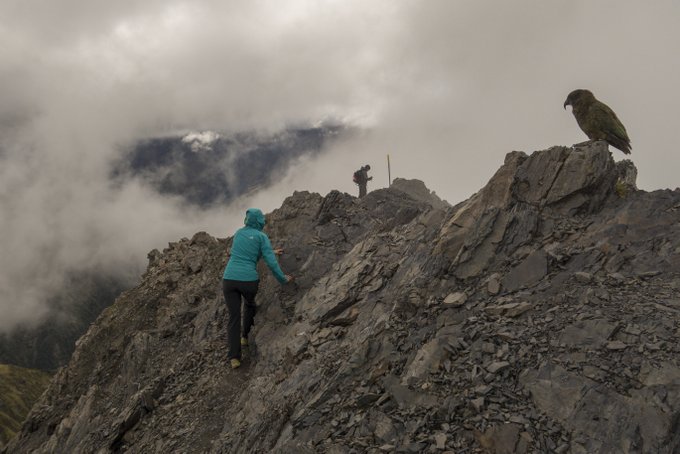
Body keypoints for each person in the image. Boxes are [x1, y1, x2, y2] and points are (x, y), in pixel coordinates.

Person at [222, 208, 292, 369]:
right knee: (249, 305)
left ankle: (234, 358)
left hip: (229, 279)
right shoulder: (262, 237)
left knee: (233, 317)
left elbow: (245, 252)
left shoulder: (239, 233)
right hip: (248, 281)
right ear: (260, 221)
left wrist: (269, 250)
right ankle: (245, 337)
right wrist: (283, 279)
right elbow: (271, 262)